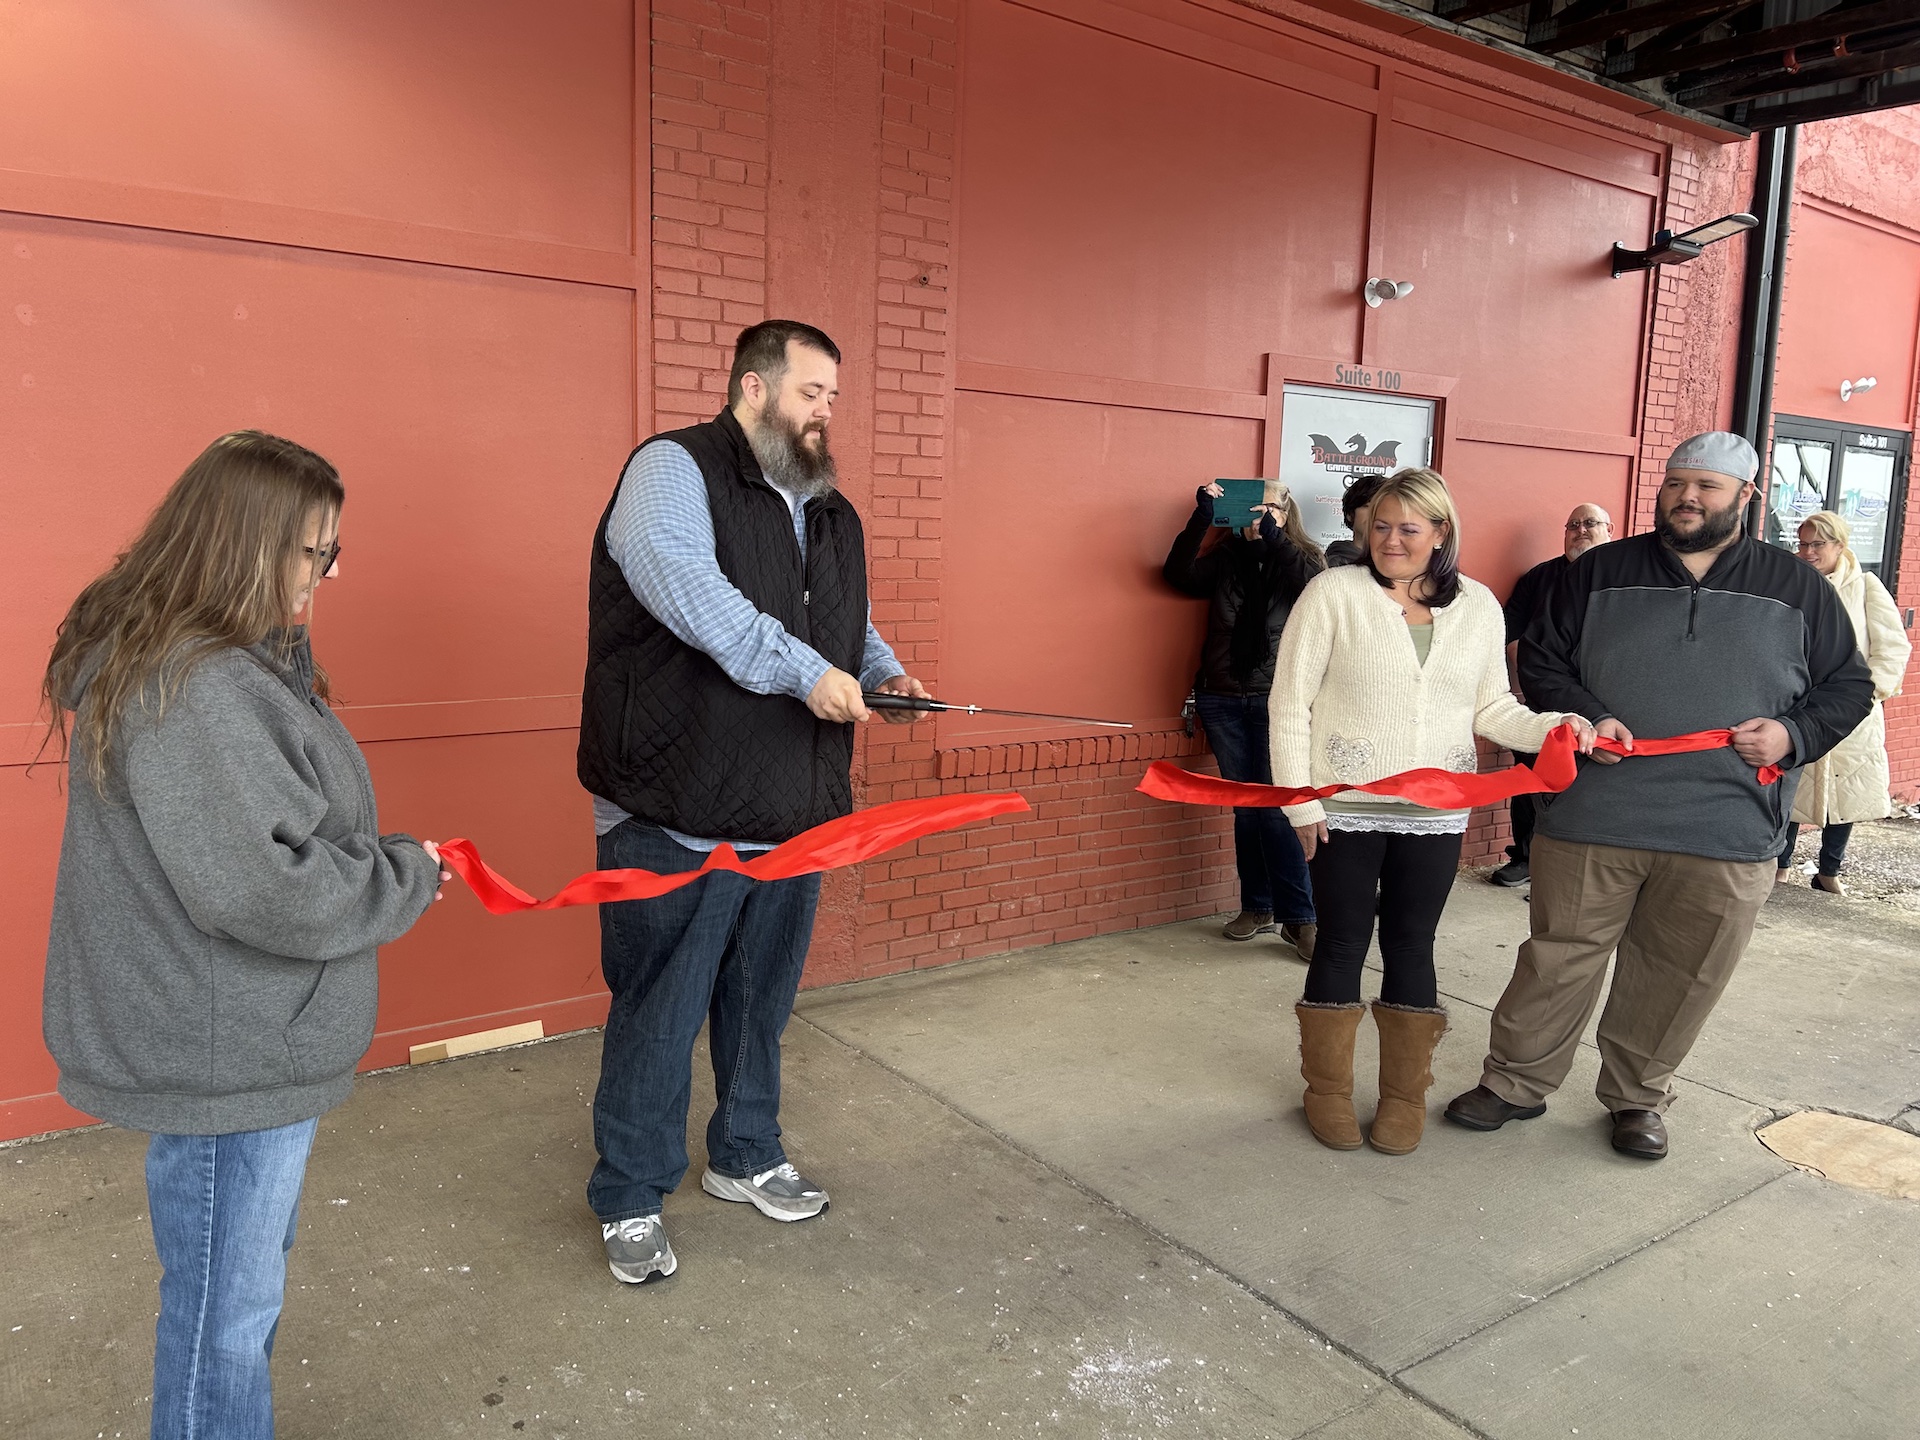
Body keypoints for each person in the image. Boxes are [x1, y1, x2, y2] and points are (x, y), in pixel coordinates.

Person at [39, 431, 448, 1439]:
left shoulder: (219, 662)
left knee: (232, 1297)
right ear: (245, 546)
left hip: (238, 1041)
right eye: (317, 552)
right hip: (226, 1054)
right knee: (224, 1321)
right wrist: (405, 877)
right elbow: (265, 887)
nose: (332, 572)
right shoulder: (200, 690)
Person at [578, 320, 927, 1285]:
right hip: (670, 804)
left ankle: (744, 1153)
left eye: (834, 399)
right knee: (659, 1005)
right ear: (751, 388)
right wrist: (804, 671)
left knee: (758, 1001)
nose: (826, 413)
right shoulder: (670, 472)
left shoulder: (827, 509)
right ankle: (631, 1194)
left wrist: (884, 675)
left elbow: (837, 619)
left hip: (790, 807)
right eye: (811, 393)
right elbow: (686, 589)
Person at [1447, 433, 1874, 1160]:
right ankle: (1515, 1081)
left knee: (1680, 971)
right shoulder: (1599, 571)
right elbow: (1543, 661)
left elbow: (1849, 687)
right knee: (1557, 957)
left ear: (1746, 496)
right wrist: (1581, 712)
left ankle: (1638, 1097)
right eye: (1677, 482)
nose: (1688, 496)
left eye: (1708, 486)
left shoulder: (1798, 586)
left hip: (1728, 824)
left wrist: (1792, 736)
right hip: (1594, 812)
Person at [1268, 468, 1595, 1155]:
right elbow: (1290, 702)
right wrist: (1299, 802)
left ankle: (1401, 1096)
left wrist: (1563, 726)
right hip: (1344, 807)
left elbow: (1494, 709)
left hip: (1436, 812)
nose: (1389, 540)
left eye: (1408, 529)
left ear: (1440, 533)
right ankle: (1325, 1091)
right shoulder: (1333, 593)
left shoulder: (1477, 605)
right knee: (1341, 943)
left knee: (1413, 945)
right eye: (1379, 526)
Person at [1164, 479, 1326, 954]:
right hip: (1223, 696)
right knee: (1246, 809)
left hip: (1279, 700)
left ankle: (1301, 917)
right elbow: (1178, 574)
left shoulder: (1304, 558)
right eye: (1249, 505)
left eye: (1268, 505)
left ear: (1284, 510)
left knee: (1279, 810)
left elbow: (1312, 591)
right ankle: (1257, 906)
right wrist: (1202, 516)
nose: (1257, 513)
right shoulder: (1227, 558)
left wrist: (1274, 540)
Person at [1777, 510, 1910, 894]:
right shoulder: (1796, 585)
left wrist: (1868, 694)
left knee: (1845, 789)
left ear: (1839, 545)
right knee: (1792, 782)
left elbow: (1892, 647)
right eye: (1802, 544)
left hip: (1852, 709)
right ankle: (1781, 864)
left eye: (1817, 544)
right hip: (1802, 704)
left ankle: (1829, 871)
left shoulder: (1866, 587)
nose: (1807, 552)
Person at [1489, 502, 1613, 887]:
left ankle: (1573, 872)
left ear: (1610, 528)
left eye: (1590, 523)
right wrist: (1519, 686)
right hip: (1542, 699)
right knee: (1531, 780)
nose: (1581, 530)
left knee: (1591, 786)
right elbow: (1508, 632)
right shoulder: (1540, 578)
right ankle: (1526, 858)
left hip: (1603, 703)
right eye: (1573, 525)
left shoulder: (1622, 577)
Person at [1322, 472, 1384, 569]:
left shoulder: (1401, 565)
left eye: (1382, 507)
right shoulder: (1332, 566)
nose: (1375, 514)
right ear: (1350, 515)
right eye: (1367, 506)